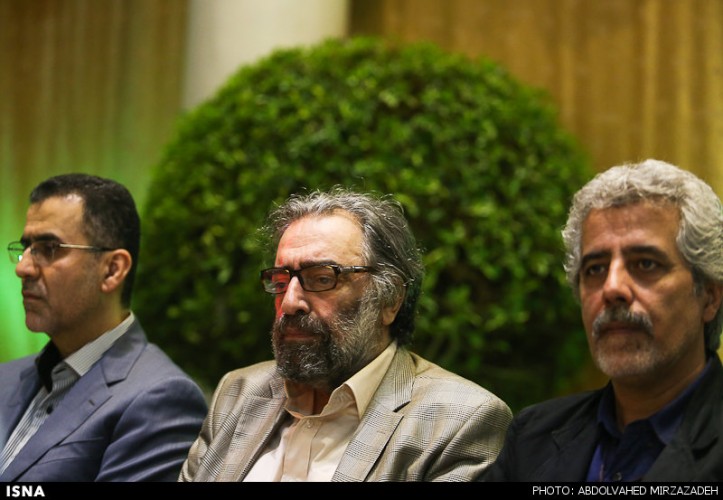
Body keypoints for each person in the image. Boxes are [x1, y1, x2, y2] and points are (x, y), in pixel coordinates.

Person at [180, 187, 512, 482]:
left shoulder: (458, 421)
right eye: (281, 281)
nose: (290, 303)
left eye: (322, 278)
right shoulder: (239, 391)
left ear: (389, 299)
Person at [481, 159, 723, 482]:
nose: (612, 288)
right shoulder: (532, 438)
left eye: (646, 264)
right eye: (595, 269)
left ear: (710, 296)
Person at [0, 173, 208, 482]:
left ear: (112, 270)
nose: (22, 268)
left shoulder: (159, 398)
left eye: (49, 248)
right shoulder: (6, 377)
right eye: (26, 247)